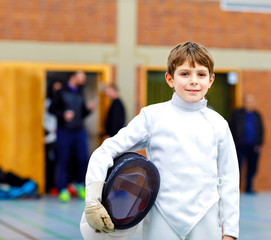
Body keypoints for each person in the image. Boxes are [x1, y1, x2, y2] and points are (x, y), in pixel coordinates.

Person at [80, 42, 240, 240]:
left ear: (211, 80)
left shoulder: (218, 124)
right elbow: (106, 151)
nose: (193, 81)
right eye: (184, 74)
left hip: (205, 217)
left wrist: (230, 231)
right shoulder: (152, 116)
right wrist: (93, 200)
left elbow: (229, 178)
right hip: (162, 217)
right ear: (170, 79)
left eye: (201, 74)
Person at [49, 71, 97, 202]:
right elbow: (52, 109)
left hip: (79, 131)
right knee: (63, 160)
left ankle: (80, 184)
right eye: (80, 78)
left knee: (83, 158)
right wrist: (63, 114)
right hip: (64, 131)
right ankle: (62, 189)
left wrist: (89, 109)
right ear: (73, 77)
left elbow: (82, 113)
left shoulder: (80, 92)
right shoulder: (61, 92)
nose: (82, 81)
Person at [228, 94, 264, 194]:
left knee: (252, 168)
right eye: (248, 101)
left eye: (251, 101)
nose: (250, 103)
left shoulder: (257, 115)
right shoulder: (236, 114)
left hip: (253, 146)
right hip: (239, 145)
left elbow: (261, 130)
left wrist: (259, 144)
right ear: (244, 103)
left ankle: (249, 188)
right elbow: (230, 128)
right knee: (237, 167)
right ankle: (236, 189)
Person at [43, 80, 62, 194]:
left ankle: (57, 186)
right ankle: (48, 186)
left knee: (59, 163)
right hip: (49, 137)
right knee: (49, 163)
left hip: (60, 136)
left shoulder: (62, 103)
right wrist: (50, 130)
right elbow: (44, 119)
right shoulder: (47, 103)